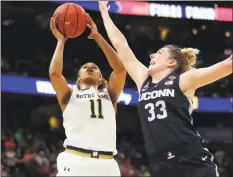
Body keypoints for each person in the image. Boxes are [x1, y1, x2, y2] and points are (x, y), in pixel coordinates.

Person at [98, 1, 233, 177]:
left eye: (159, 53)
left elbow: (228, 64)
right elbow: (121, 46)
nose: (152, 55)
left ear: (171, 63)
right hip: (160, 165)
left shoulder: (184, 80)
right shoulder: (143, 81)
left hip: (192, 161)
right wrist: (104, 14)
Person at [49, 13, 126, 176]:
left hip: (107, 165)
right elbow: (55, 74)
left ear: (100, 79)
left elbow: (120, 69)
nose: (90, 67)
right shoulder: (69, 95)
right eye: (85, 67)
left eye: (95, 67)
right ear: (77, 79)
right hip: (75, 160)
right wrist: (61, 42)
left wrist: (97, 37)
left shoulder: (110, 95)